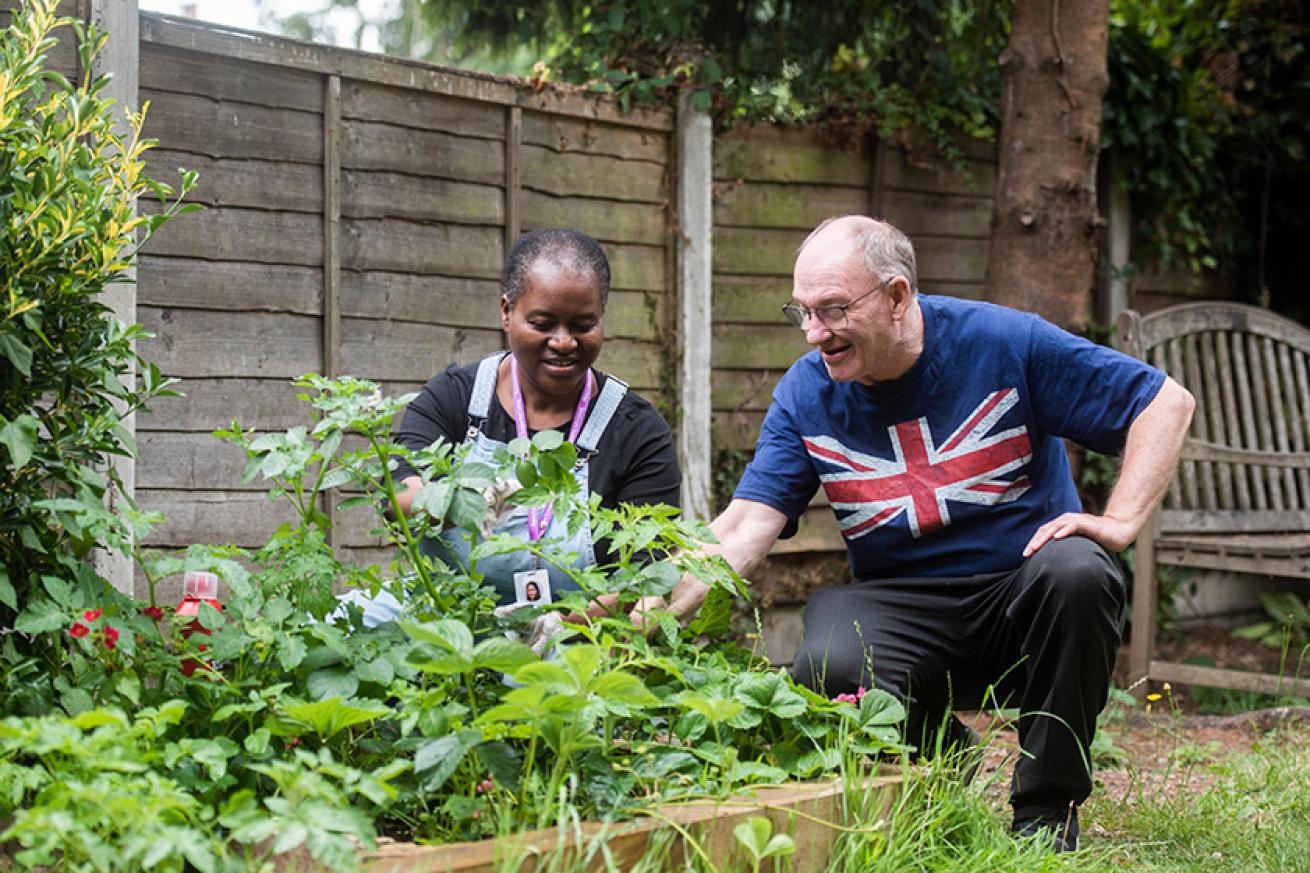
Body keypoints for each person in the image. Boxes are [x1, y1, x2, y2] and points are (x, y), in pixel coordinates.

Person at [641, 216, 1195, 853]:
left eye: (833, 310)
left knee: (1080, 571)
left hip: (1022, 592)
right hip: (905, 608)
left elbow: (1163, 403)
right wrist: (644, 603)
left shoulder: (1004, 342)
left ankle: (1046, 815)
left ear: (897, 296)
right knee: (827, 662)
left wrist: (1120, 522)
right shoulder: (806, 394)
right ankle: (942, 759)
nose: (814, 333)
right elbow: (742, 526)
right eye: (803, 311)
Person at [346, 228, 680, 626]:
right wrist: (473, 500)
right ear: (507, 312)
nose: (563, 341)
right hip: (444, 618)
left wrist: (558, 625)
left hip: (568, 634)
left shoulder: (636, 430)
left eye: (582, 325)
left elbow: (647, 580)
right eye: (542, 323)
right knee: (335, 624)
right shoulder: (456, 399)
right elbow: (398, 498)